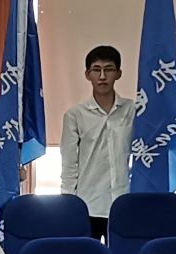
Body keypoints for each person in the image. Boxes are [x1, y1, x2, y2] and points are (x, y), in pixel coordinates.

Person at [59, 47, 137, 237]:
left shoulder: (133, 111)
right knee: (87, 253)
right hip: (89, 204)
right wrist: (68, 202)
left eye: (109, 69)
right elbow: (69, 163)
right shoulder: (75, 115)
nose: (102, 76)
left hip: (125, 201)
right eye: (96, 70)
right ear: (88, 74)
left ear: (118, 73)